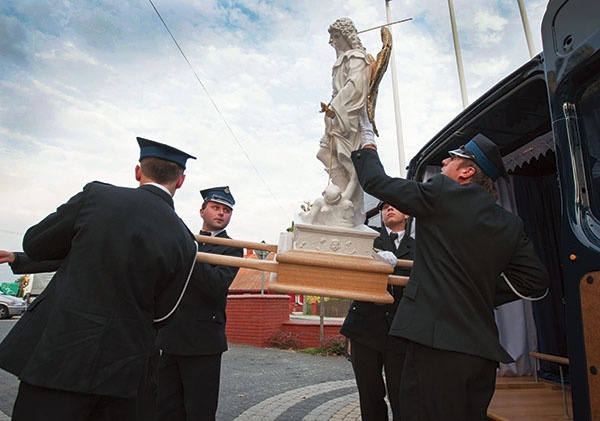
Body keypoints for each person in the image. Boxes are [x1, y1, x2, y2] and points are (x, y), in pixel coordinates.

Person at [351, 133, 549, 420]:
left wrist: (367, 144)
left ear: (467, 172)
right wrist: (475, 290)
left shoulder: (442, 192)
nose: (445, 160)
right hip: (482, 353)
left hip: (436, 349)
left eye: (454, 157)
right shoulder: (510, 222)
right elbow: (535, 281)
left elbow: (376, 183)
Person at [0, 137, 198, 421]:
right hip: (124, 372)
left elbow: (35, 243)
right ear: (181, 181)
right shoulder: (185, 241)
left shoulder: (96, 197)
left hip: (57, 357)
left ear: (138, 171)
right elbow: (164, 314)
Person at [156, 186, 243, 420]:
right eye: (215, 207)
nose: (221, 213)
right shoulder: (186, 242)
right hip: (170, 338)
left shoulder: (232, 248)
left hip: (202, 342)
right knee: (165, 409)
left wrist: (190, 251)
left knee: (199, 411)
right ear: (202, 211)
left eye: (226, 210)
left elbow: (215, 286)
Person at [340, 203, 415, 420]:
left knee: (401, 393)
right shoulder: (369, 241)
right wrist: (375, 257)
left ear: (407, 213)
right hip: (366, 328)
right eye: (385, 208)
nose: (389, 210)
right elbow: (351, 265)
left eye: (395, 206)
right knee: (369, 392)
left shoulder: (418, 247)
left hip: (400, 330)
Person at [316, 17, 373, 227]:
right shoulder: (341, 60)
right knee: (323, 153)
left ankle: (349, 196)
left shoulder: (357, 58)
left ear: (346, 36)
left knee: (346, 158)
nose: (332, 41)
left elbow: (355, 87)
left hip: (346, 118)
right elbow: (338, 88)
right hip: (333, 116)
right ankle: (339, 193)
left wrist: (335, 109)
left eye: (335, 36)